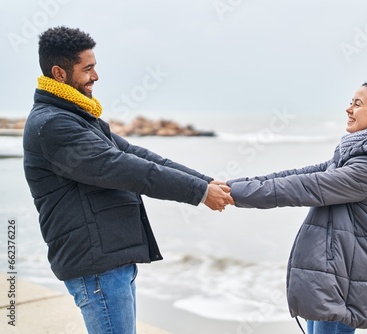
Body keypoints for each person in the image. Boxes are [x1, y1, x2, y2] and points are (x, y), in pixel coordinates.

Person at [23, 26, 232, 334]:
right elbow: (125, 168)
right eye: (88, 68)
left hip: (109, 260)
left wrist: (207, 181)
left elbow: (141, 155)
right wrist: (200, 192)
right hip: (96, 265)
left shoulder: (77, 117)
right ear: (60, 73)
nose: (96, 76)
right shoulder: (54, 125)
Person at [226, 81, 367, 333]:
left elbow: (306, 187)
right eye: (351, 102)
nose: (348, 109)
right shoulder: (350, 157)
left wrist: (232, 195)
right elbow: (295, 175)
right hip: (331, 270)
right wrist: (229, 186)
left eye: (357, 104)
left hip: (347, 274)